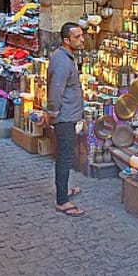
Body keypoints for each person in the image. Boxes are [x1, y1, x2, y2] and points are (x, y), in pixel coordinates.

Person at [46, 22, 85, 216]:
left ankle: (64, 190)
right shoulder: (62, 61)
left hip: (67, 114)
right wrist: (52, 113)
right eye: (77, 37)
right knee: (65, 157)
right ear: (67, 40)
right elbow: (55, 91)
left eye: (81, 35)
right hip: (64, 117)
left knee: (66, 155)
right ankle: (62, 201)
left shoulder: (65, 57)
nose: (82, 40)